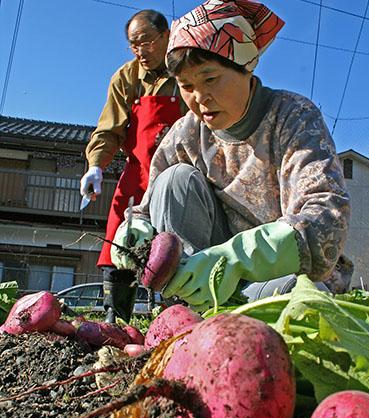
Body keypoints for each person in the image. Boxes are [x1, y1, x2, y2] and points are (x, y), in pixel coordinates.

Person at [111, 0, 352, 311]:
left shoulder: (292, 117)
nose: (199, 98)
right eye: (186, 86)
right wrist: (136, 230)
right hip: (206, 283)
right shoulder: (186, 134)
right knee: (174, 180)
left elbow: (325, 215)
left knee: (296, 298)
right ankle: (187, 306)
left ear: (246, 67)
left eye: (210, 79)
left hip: (279, 277)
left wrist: (234, 259)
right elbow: (147, 210)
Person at [80, 10, 186, 323]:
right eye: (133, 44)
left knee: (179, 244)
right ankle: (116, 317)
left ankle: (178, 317)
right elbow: (109, 128)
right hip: (138, 171)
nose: (140, 50)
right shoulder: (126, 77)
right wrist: (96, 165)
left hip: (179, 175)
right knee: (117, 238)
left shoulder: (187, 72)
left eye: (146, 42)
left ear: (167, 36)